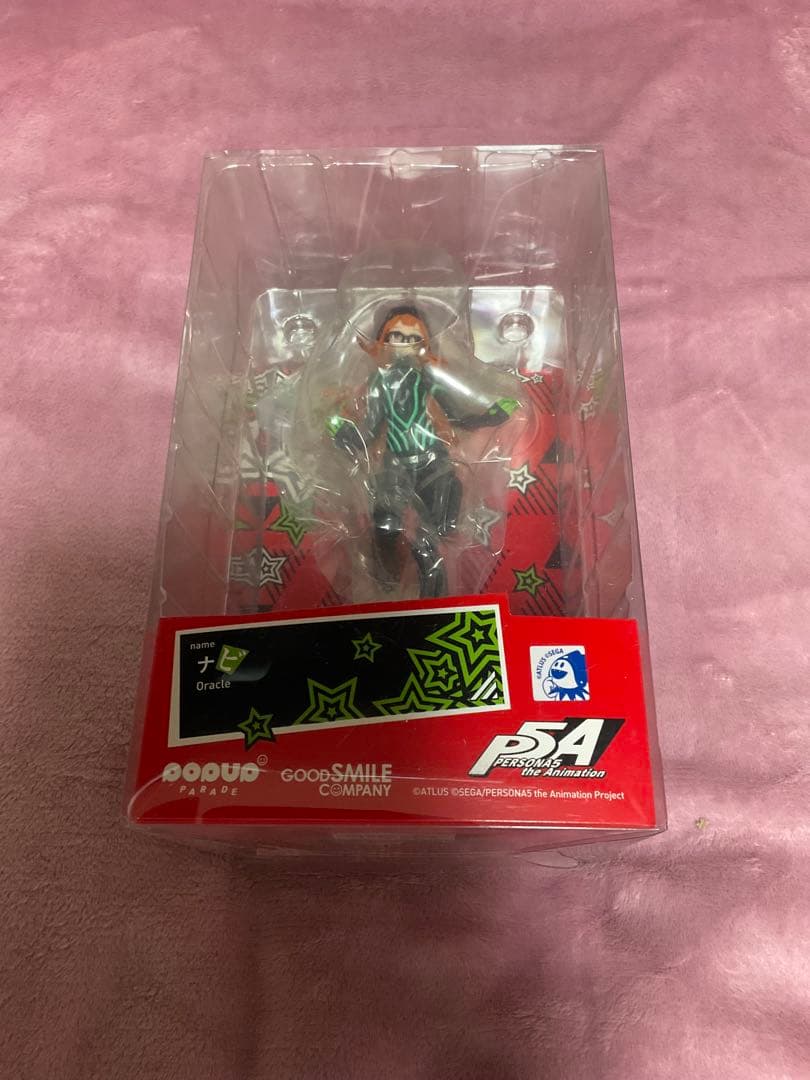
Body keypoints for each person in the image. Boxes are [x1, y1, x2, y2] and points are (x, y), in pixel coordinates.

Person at [327, 304, 519, 598]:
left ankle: (432, 594)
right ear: (383, 340)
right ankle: (385, 585)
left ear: (425, 343)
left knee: (434, 532)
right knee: (385, 524)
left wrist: (492, 415)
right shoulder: (379, 382)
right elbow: (370, 429)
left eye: (412, 338)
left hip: (432, 460)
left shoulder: (428, 378)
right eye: (396, 336)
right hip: (395, 463)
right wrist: (342, 432)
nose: (404, 344)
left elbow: (455, 415)